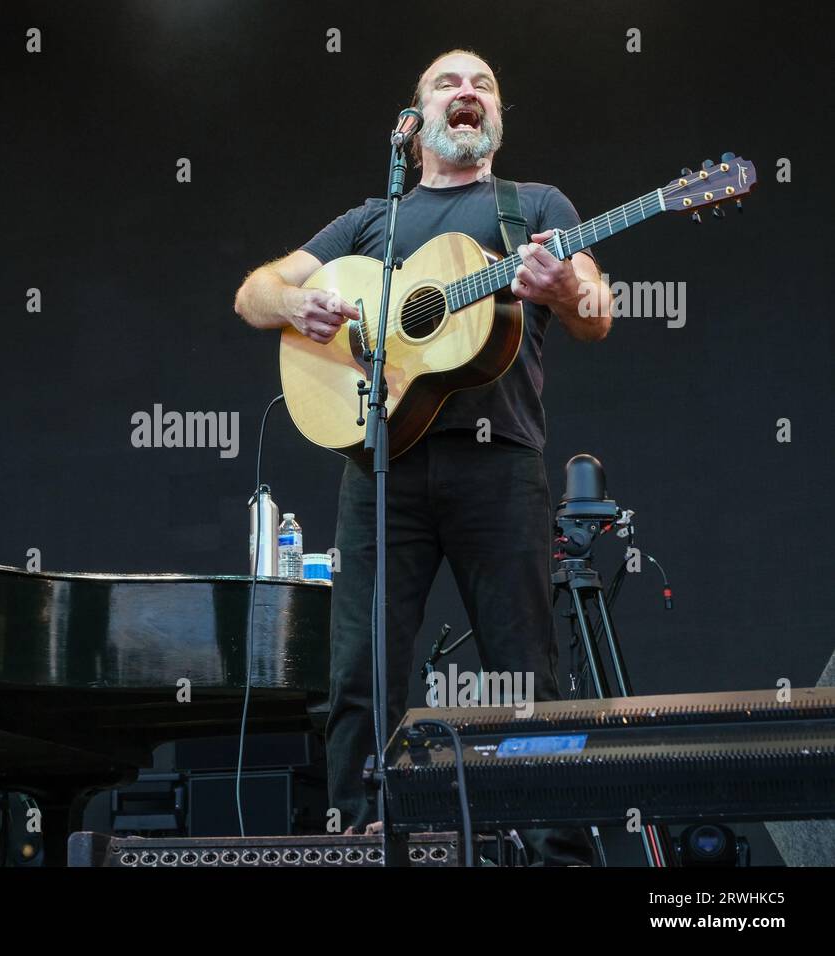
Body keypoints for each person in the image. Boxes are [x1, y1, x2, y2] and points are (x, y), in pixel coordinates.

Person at [233, 50, 613, 864]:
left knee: (526, 675)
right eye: (449, 82)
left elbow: (596, 310)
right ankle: (355, 840)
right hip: (381, 468)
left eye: (484, 85)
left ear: (495, 118)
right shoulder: (374, 219)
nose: (468, 92)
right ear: (415, 121)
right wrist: (299, 302)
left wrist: (561, 291)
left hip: (500, 466)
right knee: (358, 677)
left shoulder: (532, 209)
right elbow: (253, 291)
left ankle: (551, 850)